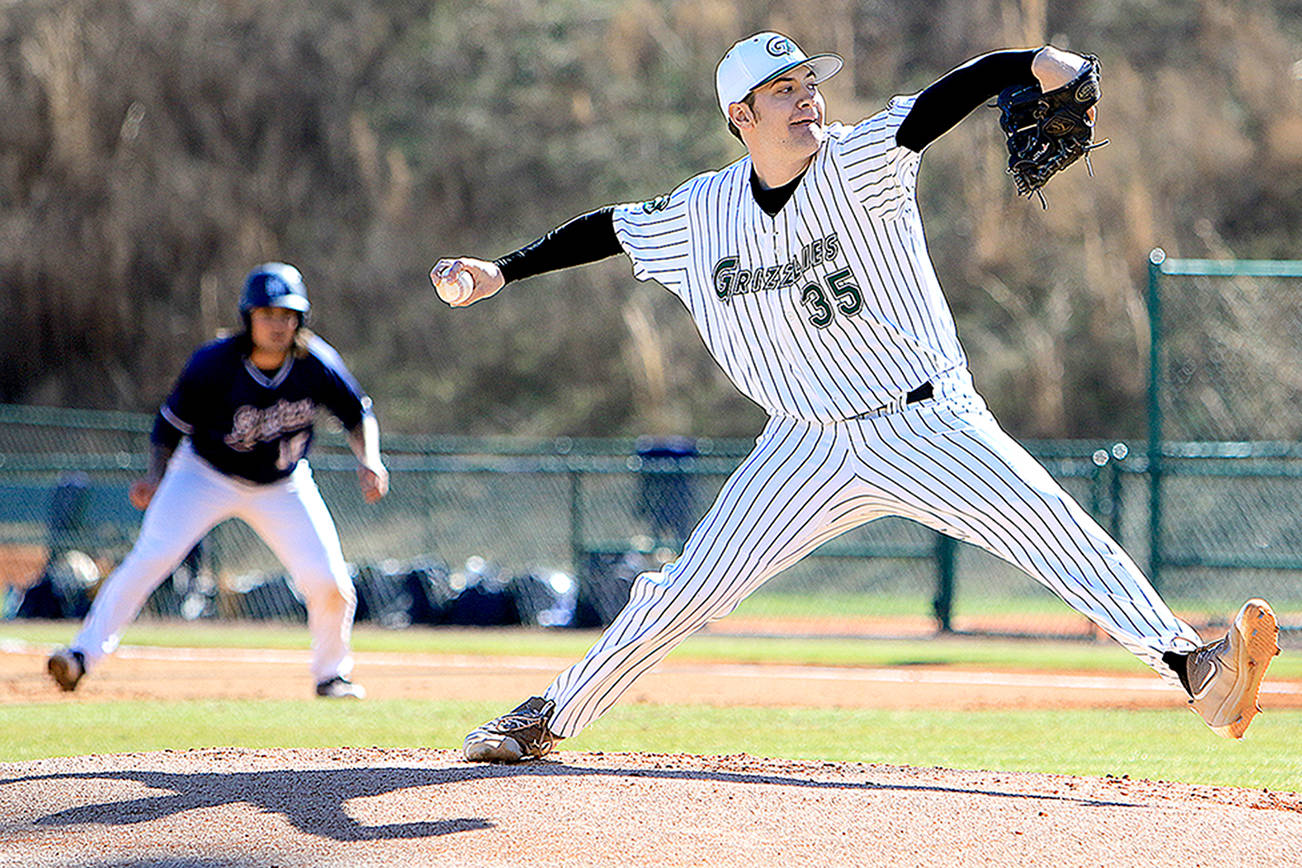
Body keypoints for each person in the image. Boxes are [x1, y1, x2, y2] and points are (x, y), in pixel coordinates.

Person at [430, 34, 1280, 761]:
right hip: (803, 443)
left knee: (1050, 528)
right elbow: (609, 228)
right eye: (783, 93)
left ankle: (1192, 667)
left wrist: (1031, 63)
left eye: (810, 87)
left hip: (922, 419)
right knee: (689, 588)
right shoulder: (701, 211)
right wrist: (498, 271)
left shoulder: (861, 161)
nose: (807, 103)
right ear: (741, 118)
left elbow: (941, 102)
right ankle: (549, 715)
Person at [47, 263, 389, 699]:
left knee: (330, 582)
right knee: (151, 558)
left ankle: (331, 675)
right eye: (267, 314)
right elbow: (169, 425)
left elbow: (358, 415)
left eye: (287, 314)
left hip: (283, 485)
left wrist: (371, 459)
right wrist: (155, 476)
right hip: (204, 475)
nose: (278, 324)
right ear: (248, 317)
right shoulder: (215, 363)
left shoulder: (316, 362)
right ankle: (80, 656)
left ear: (299, 319)